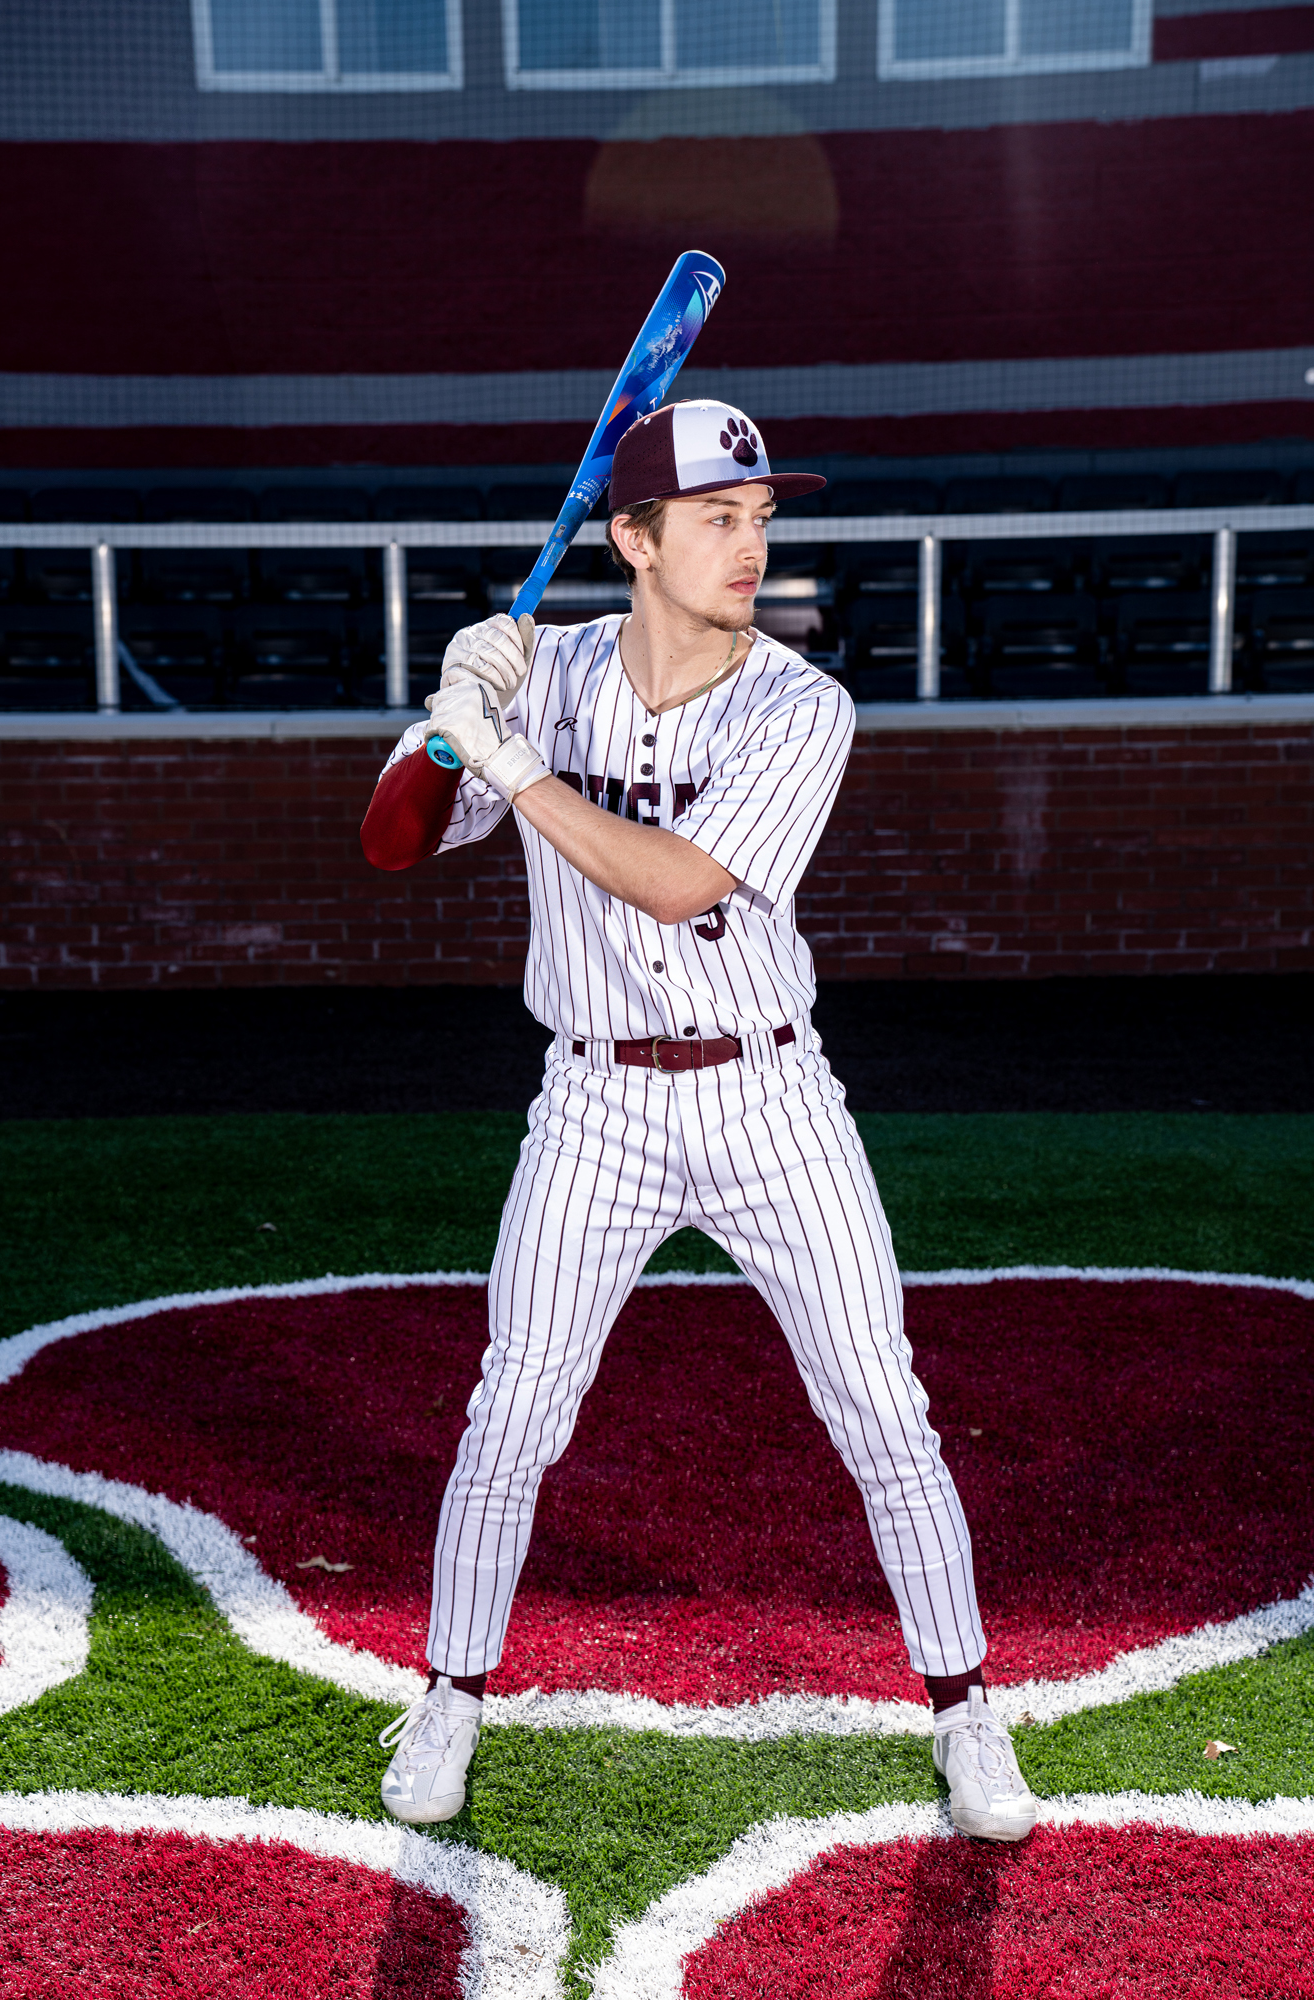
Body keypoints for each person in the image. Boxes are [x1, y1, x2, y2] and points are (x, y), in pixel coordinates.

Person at [370, 400, 1036, 1844]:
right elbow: (389, 839)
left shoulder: (802, 705)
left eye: (760, 519)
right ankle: (447, 1696)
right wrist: (447, 719)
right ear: (633, 538)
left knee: (882, 1408)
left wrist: (509, 761)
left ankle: (966, 1710)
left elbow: (676, 884)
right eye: (717, 518)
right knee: (514, 1408)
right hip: (595, 1101)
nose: (750, 546)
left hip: (770, 1098)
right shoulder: (541, 672)